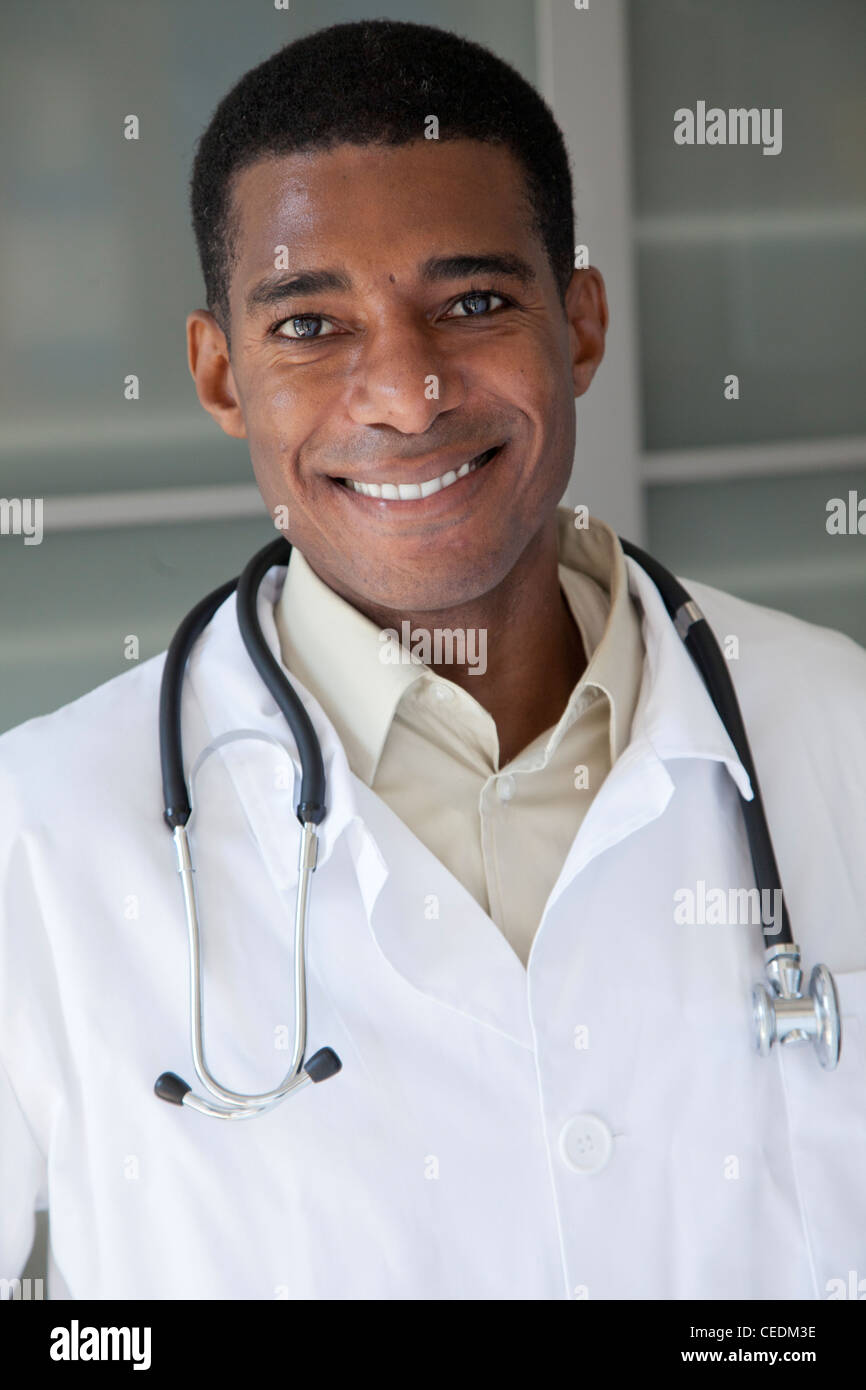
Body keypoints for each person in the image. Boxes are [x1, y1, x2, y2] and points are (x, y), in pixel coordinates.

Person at [1, 19, 865, 1302]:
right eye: (308, 324)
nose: (404, 392)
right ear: (219, 375)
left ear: (577, 324)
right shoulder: (34, 845)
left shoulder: (838, 730)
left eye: (471, 303)